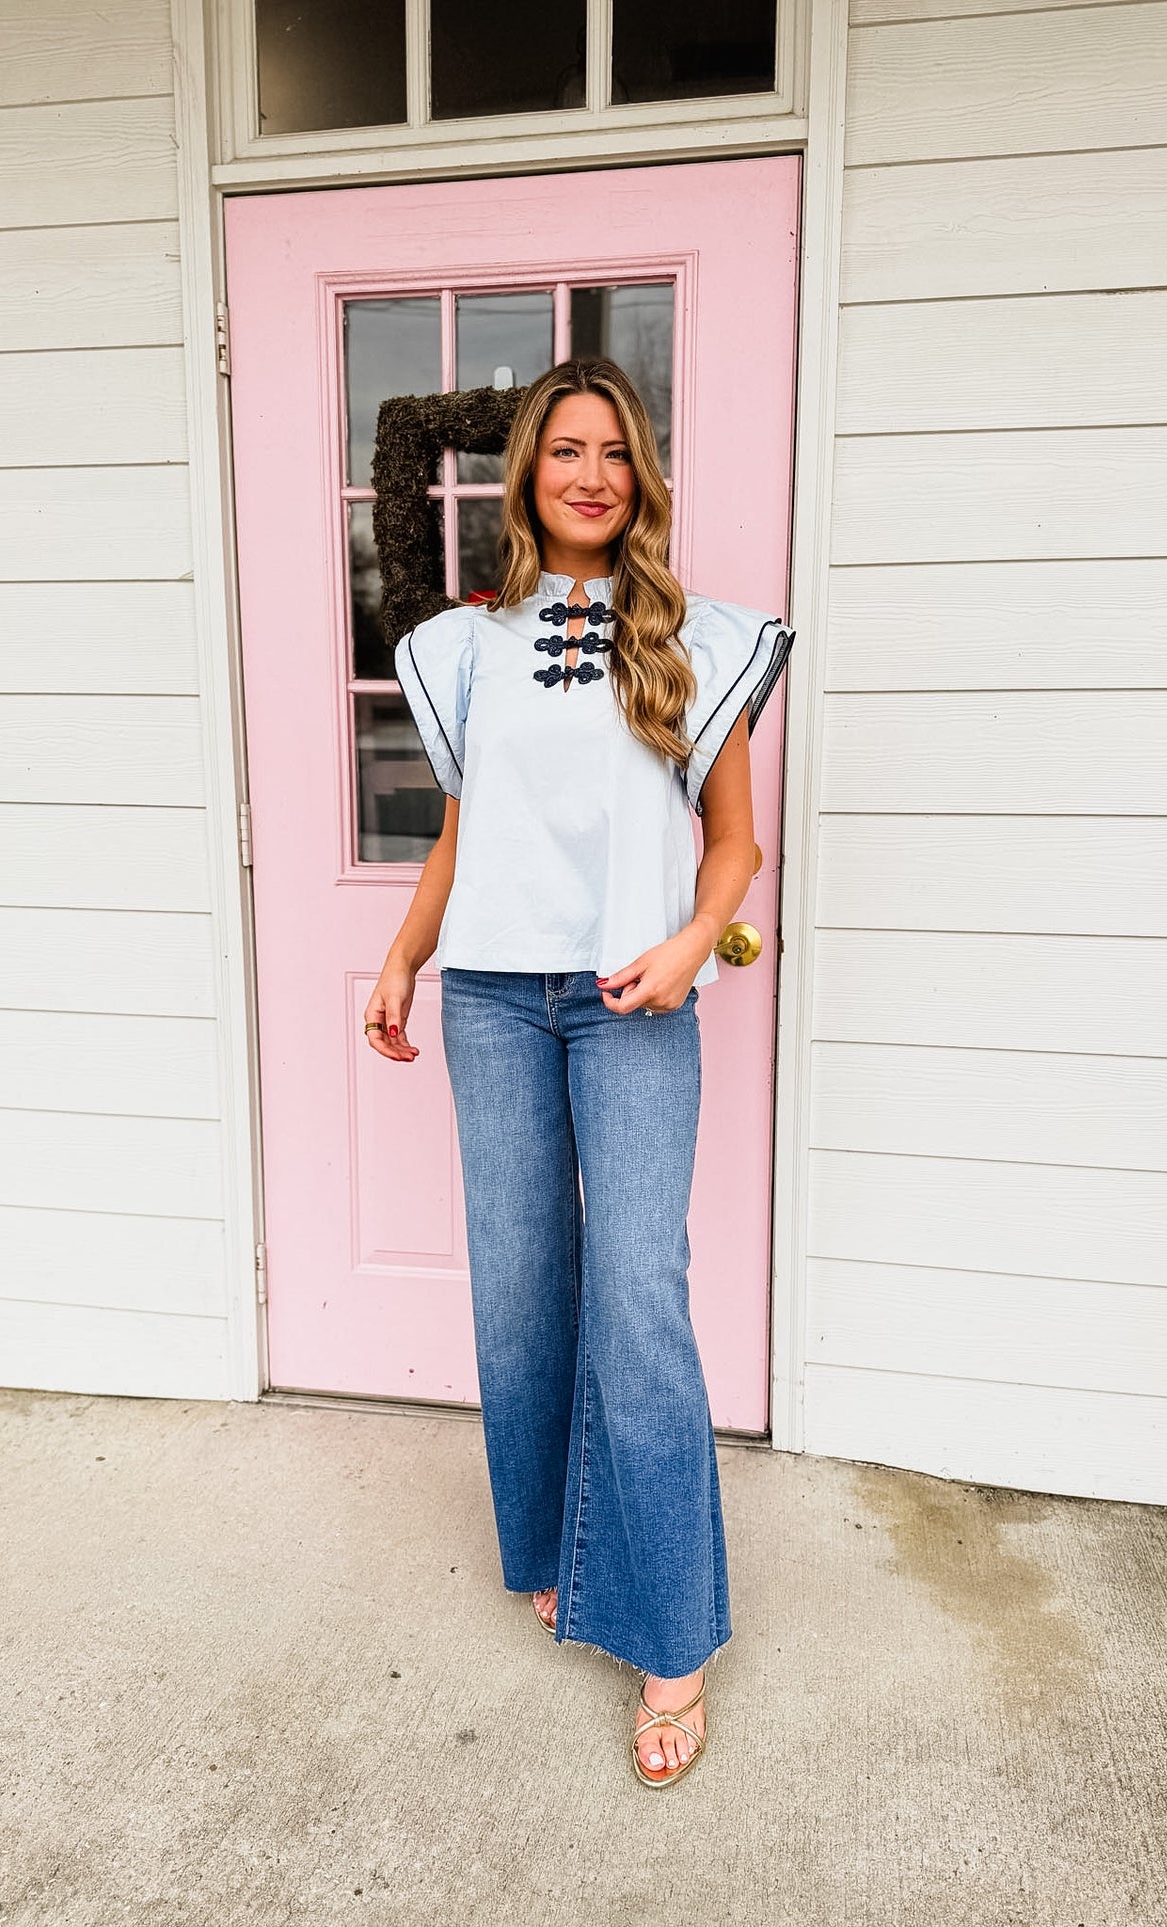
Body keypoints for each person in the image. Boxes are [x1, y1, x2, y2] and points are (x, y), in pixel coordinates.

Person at [363, 356, 793, 1788]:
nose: (591, 473)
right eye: (565, 450)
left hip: (630, 999)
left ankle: (669, 1639)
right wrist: (404, 957)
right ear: (526, 478)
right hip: (490, 997)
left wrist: (690, 950)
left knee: (637, 1302)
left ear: (640, 474)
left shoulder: (697, 637)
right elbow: (460, 833)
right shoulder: (465, 648)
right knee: (521, 1289)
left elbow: (732, 840)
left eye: (614, 450)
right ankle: (551, 1546)